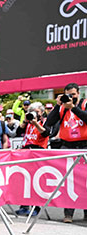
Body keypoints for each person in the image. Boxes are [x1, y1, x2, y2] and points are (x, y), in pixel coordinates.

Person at [44, 82, 87, 223]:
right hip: (68, 147)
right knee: (68, 181)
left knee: (85, 181)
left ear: (78, 94)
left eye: (73, 95)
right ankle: (68, 213)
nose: (71, 98)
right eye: (68, 95)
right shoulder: (62, 108)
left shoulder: (84, 104)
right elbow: (48, 123)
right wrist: (58, 105)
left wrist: (73, 108)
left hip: (84, 146)